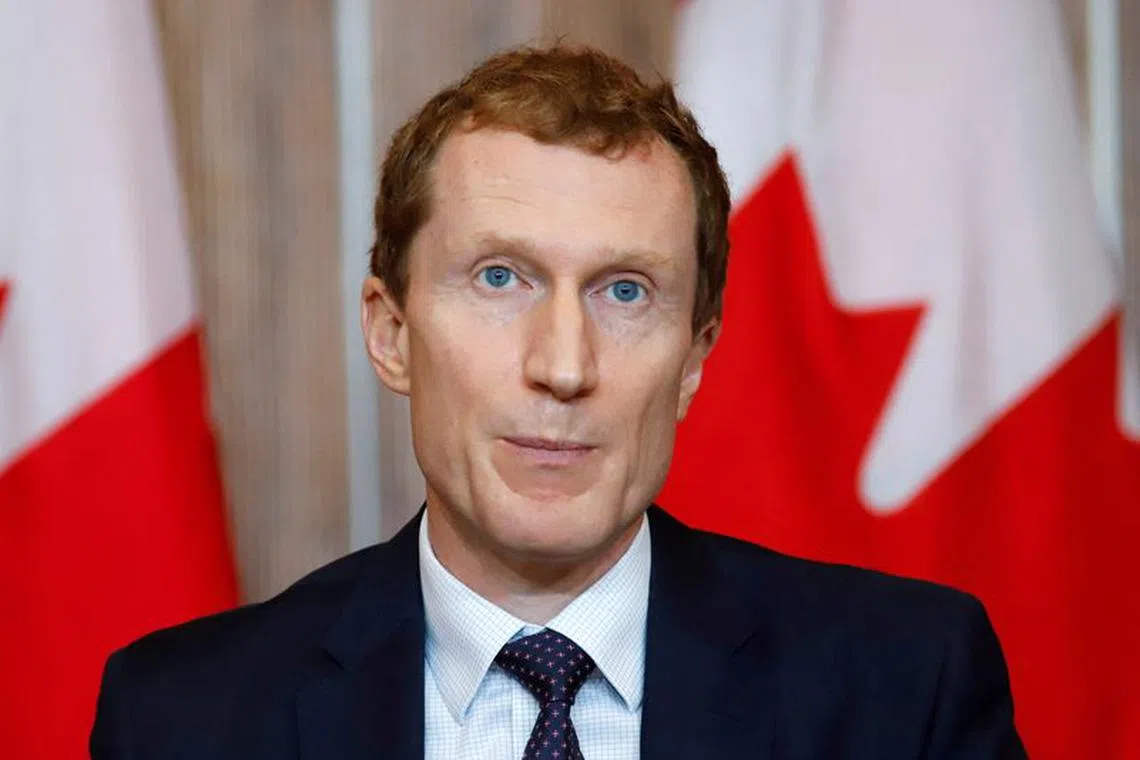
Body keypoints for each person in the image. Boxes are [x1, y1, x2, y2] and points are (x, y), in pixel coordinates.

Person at [91, 45, 1026, 759]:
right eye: (501, 278)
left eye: (626, 292)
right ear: (391, 333)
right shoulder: (183, 718)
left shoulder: (908, 693)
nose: (564, 366)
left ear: (695, 356)